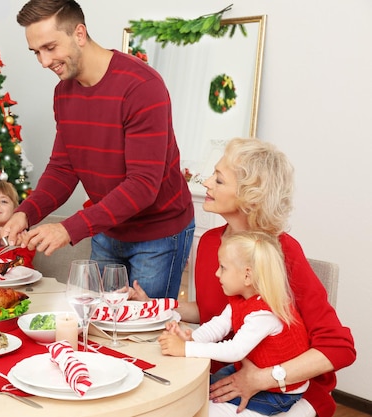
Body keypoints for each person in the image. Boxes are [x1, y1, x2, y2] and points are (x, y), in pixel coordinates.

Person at [131, 138, 356, 417]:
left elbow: (339, 348)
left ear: (251, 195)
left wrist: (262, 378)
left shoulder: (282, 251)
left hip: (286, 390)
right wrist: (153, 305)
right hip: (228, 376)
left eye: (220, 180)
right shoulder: (213, 242)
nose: (206, 183)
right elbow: (212, 310)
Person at [4, 0, 195, 298]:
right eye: (36, 52)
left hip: (158, 234)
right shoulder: (63, 92)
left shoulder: (141, 86)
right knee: (97, 326)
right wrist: (25, 213)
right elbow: (63, 169)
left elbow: (143, 185)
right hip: (107, 228)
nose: (43, 61)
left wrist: (69, 229)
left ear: (79, 34)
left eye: (50, 47)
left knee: (141, 335)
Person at [160, 231, 310, 415]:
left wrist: (185, 349)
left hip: (279, 392)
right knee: (195, 390)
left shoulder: (264, 314)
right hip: (250, 369)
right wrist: (190, 339)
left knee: (200, 401)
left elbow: (234, 350)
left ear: (247, 275)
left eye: (223, 267)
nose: (216, 273)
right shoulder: (241, 299)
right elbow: (218, 326)